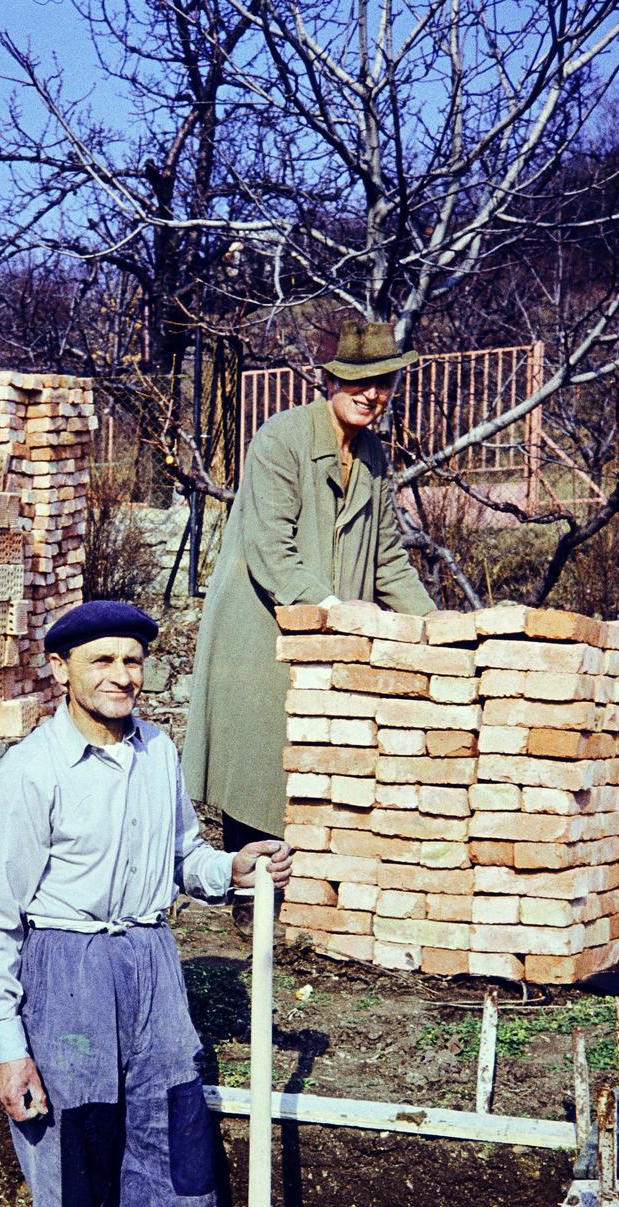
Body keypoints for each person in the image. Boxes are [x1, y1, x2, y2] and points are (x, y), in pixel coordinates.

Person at [0, 600, 292, 1207]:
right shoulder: (32, 773)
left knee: (178, 1181)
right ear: (60, 670)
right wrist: (6, 1046)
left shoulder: (157, 754)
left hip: (153, 974)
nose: (120, 676)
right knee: (77, 1198)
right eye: (101, 660)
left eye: (132, 661)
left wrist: (232, 869)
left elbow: (182, 858)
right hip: (65, 981)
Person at [183, 320, 435, 848]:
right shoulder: (283, 438)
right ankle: (251, 887)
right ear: (332, 381)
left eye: (383, 383)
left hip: (329, 640)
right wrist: (334, 608)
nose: (371, 395)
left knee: (320, 779)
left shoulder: (373, 455)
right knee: (261, 776)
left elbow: (388, 560)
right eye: (359, 382)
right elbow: (270, 549)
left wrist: (435, 624)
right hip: (262, 634)